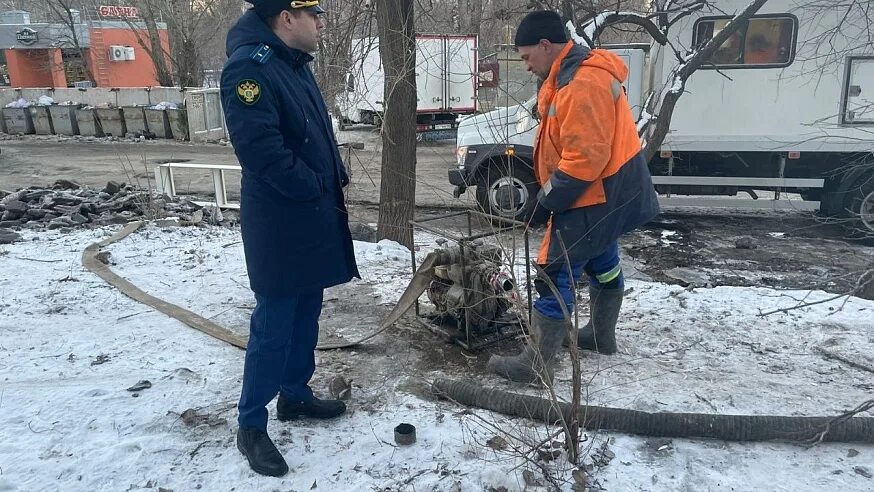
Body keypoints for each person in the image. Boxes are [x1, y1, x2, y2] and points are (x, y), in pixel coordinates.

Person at [220, 0, 359, 477]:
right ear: (286, 19)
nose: (321, 24)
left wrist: (329, 181)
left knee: (307, 311)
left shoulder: (291, 63)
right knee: (274, 323)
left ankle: (295, 395)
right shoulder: (249, 69)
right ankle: (250, 426)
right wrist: (313, 184)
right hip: (281, 221)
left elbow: (312, 133)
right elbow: (261, 152)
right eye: (314, 16)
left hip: (311, 214)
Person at [488, 10, 660, 384]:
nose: (527, 65)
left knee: (555, 269)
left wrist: (545, 202)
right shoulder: (568, 75)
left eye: (527, 56)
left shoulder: (582, 83)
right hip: (607, 191)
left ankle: (535, 366)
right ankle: (600, 335)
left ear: (546, 46)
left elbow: (585, 159)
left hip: (595, 192)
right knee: (602, 259)